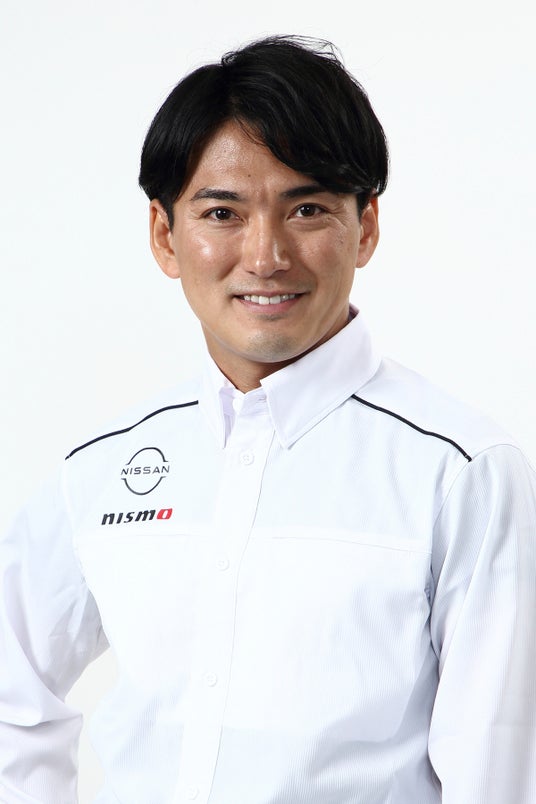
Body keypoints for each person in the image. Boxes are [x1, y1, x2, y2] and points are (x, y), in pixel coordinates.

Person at [1, 35, 535, 804]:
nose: (265, 255)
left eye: (307, 209)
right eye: (222, 212)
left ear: (366, 226)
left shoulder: (461, 473)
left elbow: (499, 771)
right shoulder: (104, 470)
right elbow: (13, 686)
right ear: (165, 236)